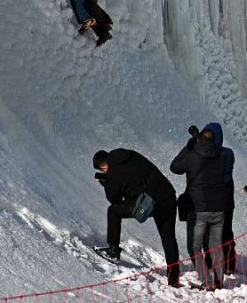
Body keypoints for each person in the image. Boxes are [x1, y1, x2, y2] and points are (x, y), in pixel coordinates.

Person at [92, 149, 180, 287]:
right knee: (169, 238)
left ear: (103, 167)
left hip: (148, 203)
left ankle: (113, 251)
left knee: (113, 211)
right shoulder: (129, 154)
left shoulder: (112, 173)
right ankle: (173, 279)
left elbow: (114, 199)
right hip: (167, 196)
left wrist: (105, 181)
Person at [170, 128, 226, 291]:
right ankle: (219, 280)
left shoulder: (192, 156)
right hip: (218, 209)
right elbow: (211, 150)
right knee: (215, 246)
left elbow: (174, 167)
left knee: (194, 247)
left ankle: (207, 282)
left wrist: (187, 148)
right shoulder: (221, 155)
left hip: (199, 208)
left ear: (198, 141)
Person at [203, 122, 237, 275]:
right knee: (226, 232)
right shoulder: (228, 153)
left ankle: (211, 263)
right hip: (227, 197)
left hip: (213, 197)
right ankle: (230, 264)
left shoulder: (208, 154)